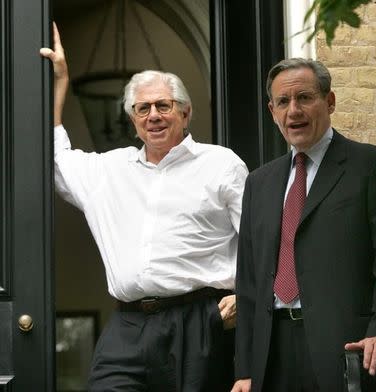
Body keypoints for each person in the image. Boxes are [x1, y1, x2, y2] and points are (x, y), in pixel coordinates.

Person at [41, 23, 248, 392]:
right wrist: (60, 85)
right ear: (133, 119)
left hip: (200, 319)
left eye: (163, 105)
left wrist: (247, 297)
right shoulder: (108, 170)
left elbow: (259, 238)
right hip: (129, 325)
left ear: (185, 113)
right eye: (143, 108)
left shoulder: (222, 164)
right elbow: (56, 158)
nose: (153, 115)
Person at [231, 58, 376, 392]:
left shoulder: (374, 166)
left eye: (304, 98)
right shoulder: (259, 182)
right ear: (272, 111)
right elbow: (248, 282)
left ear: (329, 101)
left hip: (348, 349)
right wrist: (245, 369)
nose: (294, 111)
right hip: (271, 355)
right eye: (283, 102)